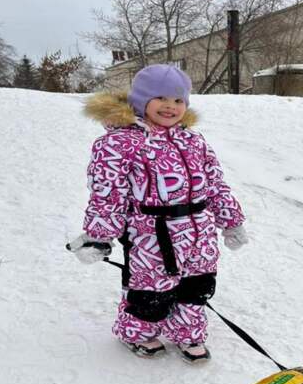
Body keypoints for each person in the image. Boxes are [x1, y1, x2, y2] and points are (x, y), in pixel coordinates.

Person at [68, 64, 247, 363]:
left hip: (200, 232)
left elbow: (215, 183)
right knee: (151, 290)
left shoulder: (194, 141)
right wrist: (98, 237)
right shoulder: (119, 143)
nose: (170, 106)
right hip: (152, 233)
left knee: (197, 286)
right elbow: (108, 194)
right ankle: (139, 333)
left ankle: (188, 334)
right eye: (161, 98)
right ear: (141, 100)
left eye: (178, 100)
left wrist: (231, 221)